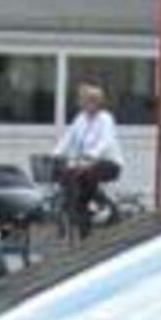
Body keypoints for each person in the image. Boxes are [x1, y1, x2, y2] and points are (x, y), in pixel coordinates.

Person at [52, 83, 122, 234]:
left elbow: (106, 140)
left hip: (109, 163)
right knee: (68, 176)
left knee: (86, 179)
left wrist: (93, 154)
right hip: (85, 163)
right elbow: (68, 138)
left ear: (96, 102)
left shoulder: (105, 119)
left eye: (87, 100)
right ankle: (83, 220)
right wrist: (56, 153)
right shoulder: (80, 119)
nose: (83, 104)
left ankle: (100, 205)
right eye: (82, 100)